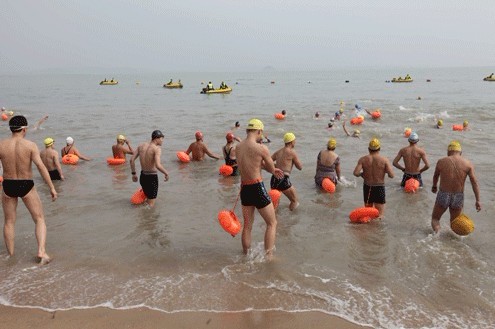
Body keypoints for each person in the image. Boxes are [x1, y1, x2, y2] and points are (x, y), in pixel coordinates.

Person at [0, 116, 57, 264]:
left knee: (9, 222)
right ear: (24, 129)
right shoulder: (30, 145)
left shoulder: (1, 145)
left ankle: (11, 256)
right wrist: (51, 187)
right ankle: (41, 252)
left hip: (8, 185)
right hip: (26, 184)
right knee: (39, 219)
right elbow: (40, 166)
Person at [236, 119, 284, 257]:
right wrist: (273, 169)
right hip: (257, 187)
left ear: (247, 131)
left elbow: (248, 164)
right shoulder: (262, 148)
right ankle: (269, 256)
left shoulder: (238, 147)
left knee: (247, 225)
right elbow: (270, 167)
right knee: (272, 222)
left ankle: (246, 255)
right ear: (259, 131)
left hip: (244, 188)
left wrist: (261, 164)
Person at [430, 141, 481, 233]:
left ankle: (437, 236)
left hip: (443, 194)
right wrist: (478, 200)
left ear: (448, 152)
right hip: (458, 196)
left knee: (435, 218)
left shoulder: (442, 161)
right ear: (460, 152)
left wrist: (434, 186)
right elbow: (474, 182)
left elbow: (435, 176)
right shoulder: (467, 163)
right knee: (455, 223)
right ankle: (454, 243)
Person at [353, 138, 394, 217]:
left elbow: (356, 173)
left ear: (369, 149)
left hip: (368, 187)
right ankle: (377, 228)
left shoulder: (363, 159)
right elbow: (391, 175)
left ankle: (368, 228)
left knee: (368, 214)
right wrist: (385, 172)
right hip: (379, 187)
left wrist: (362, 175)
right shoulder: (384, 160)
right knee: (380, 215)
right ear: (379, 148)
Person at [130, 130, 170, 208]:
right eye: (162, 138)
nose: (162, 140)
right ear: (156, 138)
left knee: (148, 198)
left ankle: (142, 216)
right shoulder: (157, 149)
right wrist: (166, 173)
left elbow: (131, 160)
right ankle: (148, 218)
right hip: (152, 178)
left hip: (143, 177)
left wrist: (134, 174)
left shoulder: (141, 146)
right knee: (151, 204)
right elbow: (158, 165)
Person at [270, 132, 303, 211]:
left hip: (274, 179)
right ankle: (291, 221)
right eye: (294, 141)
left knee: (276, 202)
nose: (295, 142)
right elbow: (300, 167)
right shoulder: (292, 152)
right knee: (294, 201)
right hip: (283, 179)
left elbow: (268, 161)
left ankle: (275, 219)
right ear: (291, 142)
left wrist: (276, 166)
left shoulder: (278, 152)